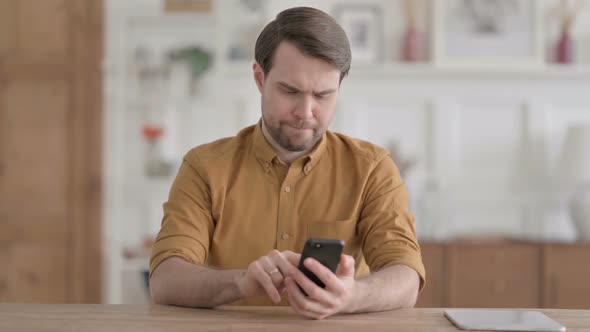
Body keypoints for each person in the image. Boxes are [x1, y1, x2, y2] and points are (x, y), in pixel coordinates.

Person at [149, 6, 425, 320]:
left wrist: (351, 296)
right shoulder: (204, 167)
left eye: (323, 95)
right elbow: (165, 280)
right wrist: (242, 281)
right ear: (259, 78)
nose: (305, 112)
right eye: (290, 91)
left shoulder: (373, 168)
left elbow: (406, 277)